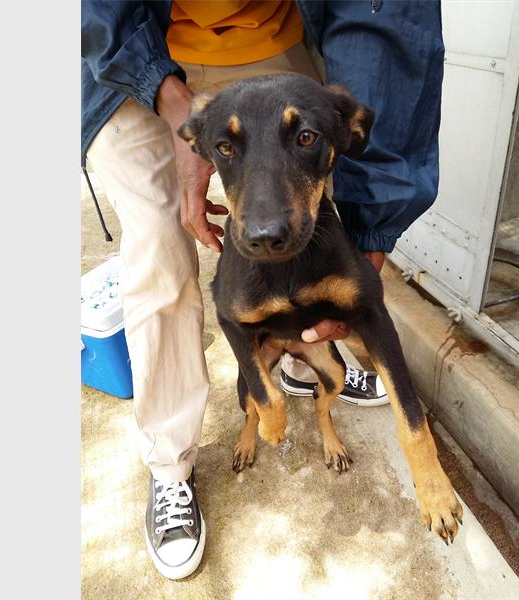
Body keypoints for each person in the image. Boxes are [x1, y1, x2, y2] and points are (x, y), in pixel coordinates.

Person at [81, 0, 444, 580]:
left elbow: (386, 19)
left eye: (309, 137)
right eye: (221, 147)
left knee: (317, 234)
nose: (267, 227)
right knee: (158, 249)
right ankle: (171, 465)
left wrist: (374, 230)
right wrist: (177, 112)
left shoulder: (328, 116)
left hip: (271, 35)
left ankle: (304, 363)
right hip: (128, 52)